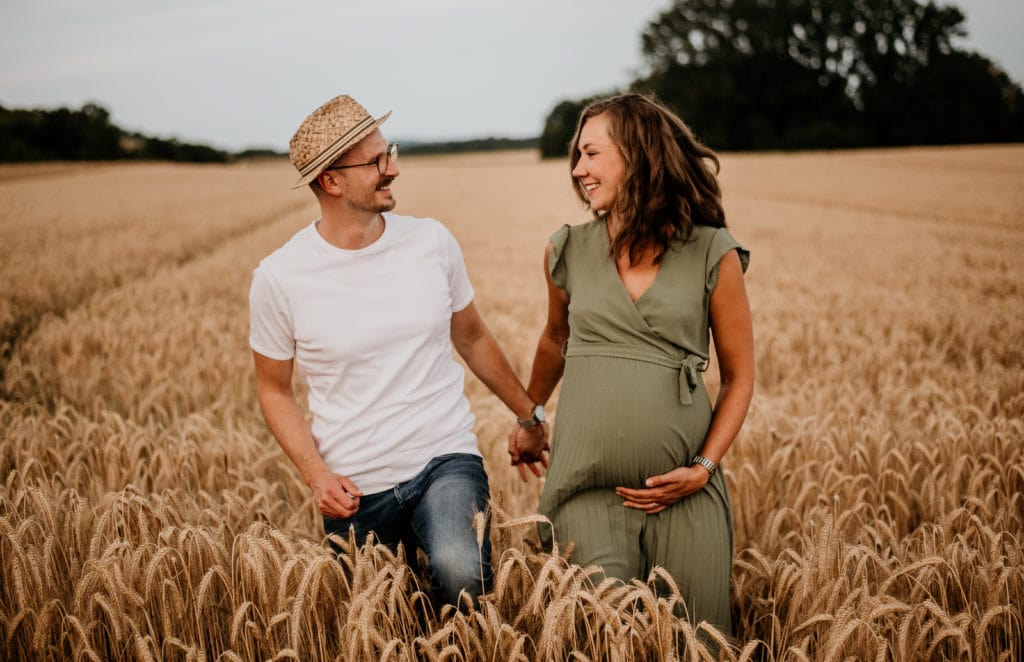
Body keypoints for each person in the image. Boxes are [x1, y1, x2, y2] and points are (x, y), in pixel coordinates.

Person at [249, 94, 548, 607]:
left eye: (390, 151)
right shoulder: (280, 277)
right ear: (332, 181)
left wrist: (530, 414)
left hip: (443, 454)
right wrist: (316, 475)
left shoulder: (431, 242)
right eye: (377, 161)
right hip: (354, 485)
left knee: (462, 579)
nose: (394, 168)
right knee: (380, 619)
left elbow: (472, 337)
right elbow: (273, 389)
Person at [513, 93, 754, 636]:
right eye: (577, 156)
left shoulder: (712, 251)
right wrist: (530, 416)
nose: (578, 170)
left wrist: (704, 469)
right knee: (599, 639)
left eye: (591, 154)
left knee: (699, 641)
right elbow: (555, 340)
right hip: (586, 490)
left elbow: (740, 377)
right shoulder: (567, 250)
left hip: (685, 491)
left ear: (638, 154)